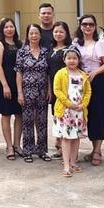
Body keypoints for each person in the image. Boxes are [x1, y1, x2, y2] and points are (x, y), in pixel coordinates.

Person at [74, 14, 104, 166]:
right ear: (80, 26)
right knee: (86, 115)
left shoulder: (100, 43)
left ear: (95, 26)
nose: (88, 27)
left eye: (91, 24)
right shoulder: (76, 44)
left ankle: (97, 150)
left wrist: (94, 73)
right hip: (80, 82)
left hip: (97, 82)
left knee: (98, 115)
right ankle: (91, 149)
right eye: (84, 24)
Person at [53, 48, 92, 177]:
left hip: (79, 112)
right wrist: (69, 104)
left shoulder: (83, 75)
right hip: (66, 111)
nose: (72, 61)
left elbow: (88, 92)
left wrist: (83, 104)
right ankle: (66, 165)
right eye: (69, 58)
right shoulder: (60, 73)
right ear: (64, 60)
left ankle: (73, 162)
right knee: (66, 138)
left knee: (76, 137)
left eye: (74, 58)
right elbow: (57, 90)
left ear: (79, 60)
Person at [16, 24, 51, 162]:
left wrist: (49, 90)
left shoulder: (45, 51)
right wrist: (20, 93)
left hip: (43, 91)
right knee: (28, 121)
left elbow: (48, 73)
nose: (34, 36)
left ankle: (42, 150)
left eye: (36, 33)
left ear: (40, 35)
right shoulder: (22, 52)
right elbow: (19, 73)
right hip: (27, 91)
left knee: (42, 121)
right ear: (27, 35)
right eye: (31, 33)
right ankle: (28, 151)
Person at [0, 18, 22, 160]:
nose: (9, 29)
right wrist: (5, 85)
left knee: (19, 115)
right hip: (6, 83)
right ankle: (9, 146)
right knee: (6, 115)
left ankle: (17, 144)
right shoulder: (0, 44)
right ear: (2, 30)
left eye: (11, 27)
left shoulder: (19, 44)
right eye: (6, 27)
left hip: (19, 84)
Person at [47, 21, 72, 158]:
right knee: (57, 114)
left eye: (61, 31)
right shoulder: (51, 49)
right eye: (56, 31)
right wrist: (49, 89)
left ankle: (65, 149)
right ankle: (59, 144)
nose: (58, 34)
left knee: (66, 116)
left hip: (66, 88)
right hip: (54, 88)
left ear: (66, 33)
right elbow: (48, 71)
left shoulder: (70, 49)